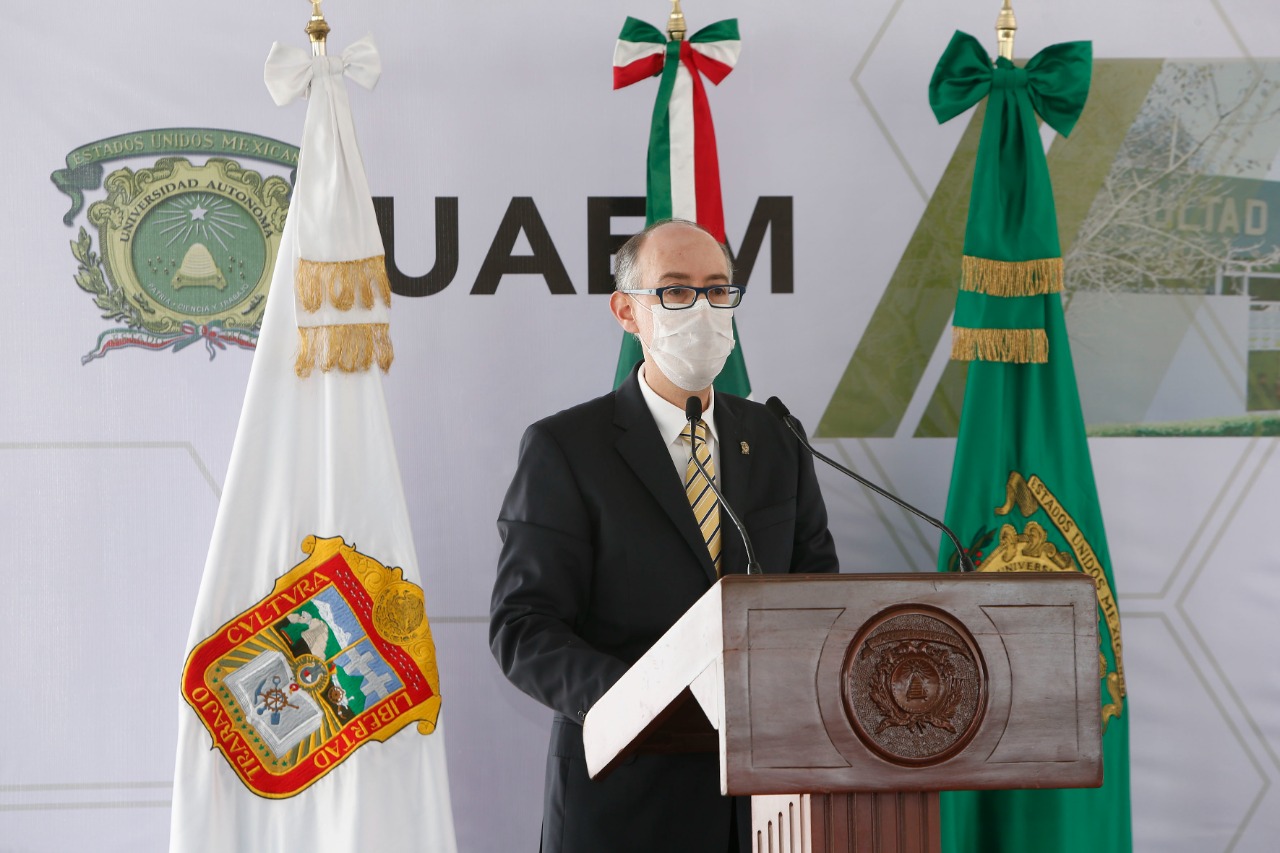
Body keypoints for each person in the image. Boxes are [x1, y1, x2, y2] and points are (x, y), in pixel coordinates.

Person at [489, 219, 839, 853]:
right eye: (676, 291)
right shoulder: (566, 449)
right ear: (628, 311)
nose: (701, 309)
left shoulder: (777, 441)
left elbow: (820, 603)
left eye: (717, 290)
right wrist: (642, 702)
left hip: (769, 810)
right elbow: (524, 627)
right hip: (626, 800)